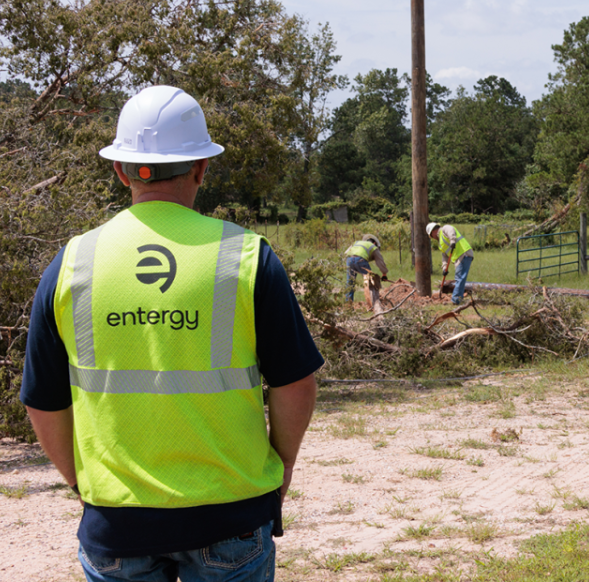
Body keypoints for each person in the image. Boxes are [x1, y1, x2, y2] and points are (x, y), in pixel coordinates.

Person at [20, 85, 323, 582]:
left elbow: (43, 401)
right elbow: (295, 383)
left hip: (116, 524)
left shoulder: (72, 264)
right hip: (231, 513)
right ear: (202, 168)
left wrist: (87, 487)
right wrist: (280, 470)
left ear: (120, 171)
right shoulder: (247, 257)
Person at [426, 221, 474, 305]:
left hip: (464, 253)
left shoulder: (444, 229)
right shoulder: (440, 244)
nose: (432, 238)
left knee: (459, 278)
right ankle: (458, 298)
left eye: (431, 236)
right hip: (458, 258)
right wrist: (444, 268)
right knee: (460, 278)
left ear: (433, 231)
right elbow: (444, 257)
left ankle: (455, 300)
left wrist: (452, 241)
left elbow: (451, 230)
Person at [343, 234, 389, 310]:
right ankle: (374, 305)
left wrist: (351, 263)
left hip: (349, 260)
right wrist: (384, 274)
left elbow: (346, 253)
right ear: (374, 243)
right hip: (360, 260)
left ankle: (348, 306)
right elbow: (380, 261)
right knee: (370, 282)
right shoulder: (373, 247)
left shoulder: (357, 242)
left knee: (350, 283)